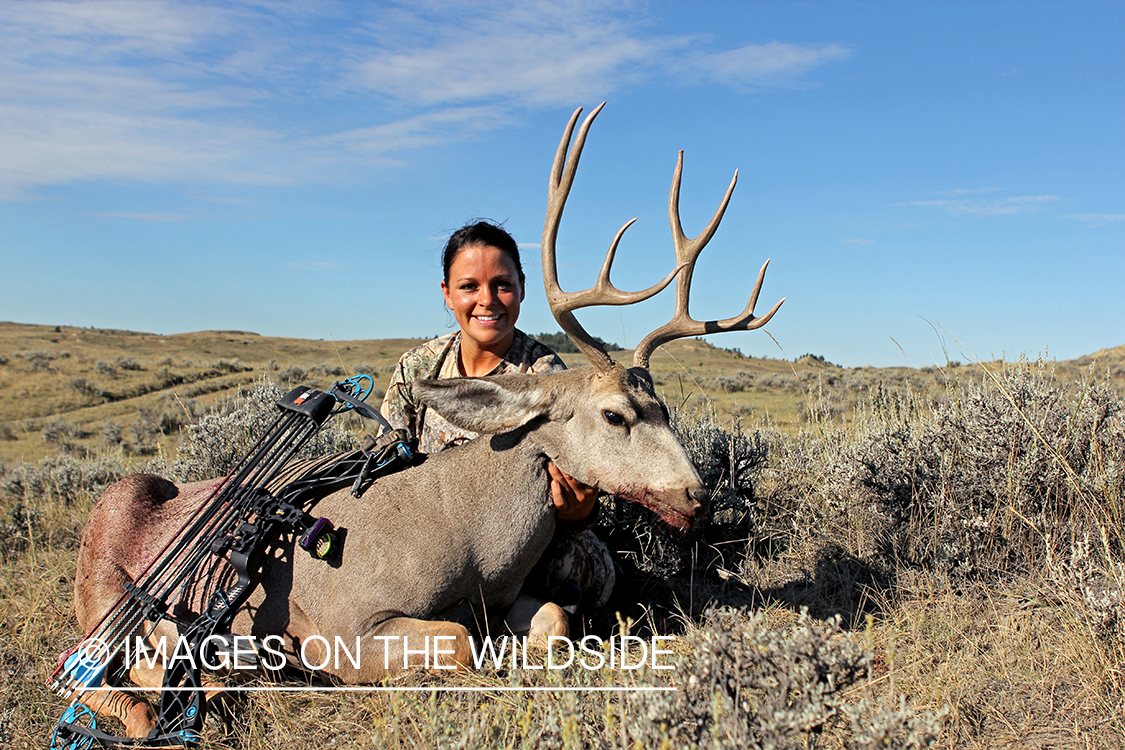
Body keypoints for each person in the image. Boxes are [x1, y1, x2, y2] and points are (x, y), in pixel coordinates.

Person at [380, 221, 616, 610]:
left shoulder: (548, 379)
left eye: (502, 285)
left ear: (522, 288)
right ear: (447, 294)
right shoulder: (418, 367)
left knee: (572, 572)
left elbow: (576, 489)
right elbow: (385, 461)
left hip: (519, 540)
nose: (487, 300)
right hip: (430, 535)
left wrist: (580, 514)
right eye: (469, 286)